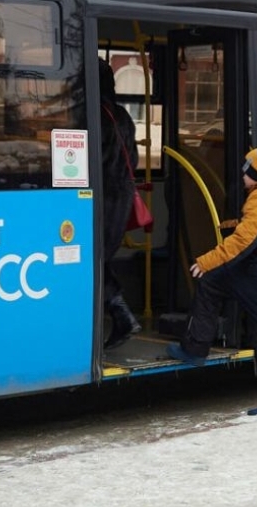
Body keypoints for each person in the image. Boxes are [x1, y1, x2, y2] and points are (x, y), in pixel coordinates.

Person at [167, 146, 257, 416]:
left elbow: (244, 242)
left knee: (212, 282)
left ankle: (196, 348)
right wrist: (235, 224)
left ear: (256, 174)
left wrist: (206, 261)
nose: (242, 176)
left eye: (246, 171)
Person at [98, 59, 142, 350]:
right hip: (121, 194)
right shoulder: (122, 115)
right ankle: (119, 312)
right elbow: (134, 159)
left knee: (90, 259)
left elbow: (94, 162)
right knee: (97, 258)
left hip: (104, 195)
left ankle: (121, 313)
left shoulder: (94, 113)